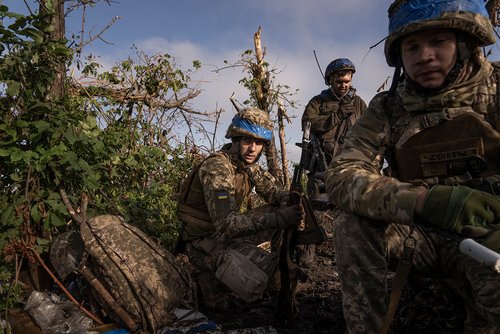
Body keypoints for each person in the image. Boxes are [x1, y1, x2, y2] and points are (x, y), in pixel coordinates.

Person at [325, 0, 500, 333]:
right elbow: (342, 175)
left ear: (464, 43)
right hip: (421, 237)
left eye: (438, 42)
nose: (424, 56)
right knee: (351, 224)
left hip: (490, 239)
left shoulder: (496, 90)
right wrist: (422, 201)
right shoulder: (389, 107)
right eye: (412, 46)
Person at [176, 108, 304, 309]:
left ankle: (276, 265)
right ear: (235, 140)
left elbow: (274, 191)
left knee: (276, 278)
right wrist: (278, 219)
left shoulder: (246, 165)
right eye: (247, 141)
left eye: (259, 143)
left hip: (225, 235)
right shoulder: (217, 168)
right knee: (255, 284)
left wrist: (294, 200)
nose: (253, 148)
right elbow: (227, 225)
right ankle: (208, 281)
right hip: (203, 242)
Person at [302, 58, 367, 200]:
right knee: (319, 213)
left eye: (347, 82)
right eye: (339, 82)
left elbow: (370, 131)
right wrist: (337, 116)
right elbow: (307, 124)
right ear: (330, 80)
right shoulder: (317, 102)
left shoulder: (359, 104)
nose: (343, 85)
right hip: (322, 169)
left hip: (352, 168)